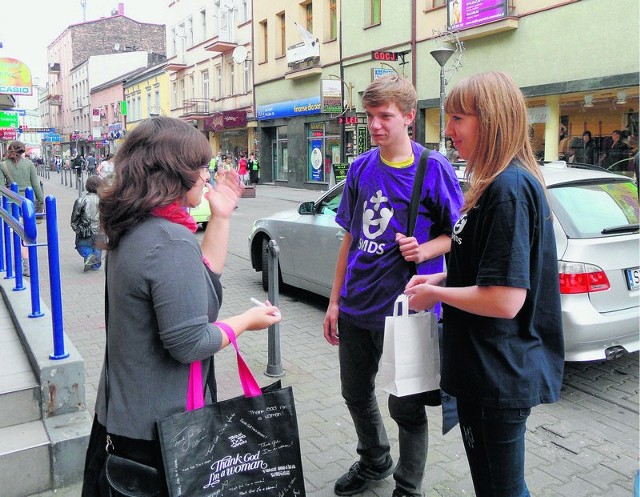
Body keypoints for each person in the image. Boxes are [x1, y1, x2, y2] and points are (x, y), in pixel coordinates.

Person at [81, 117, 282, 497]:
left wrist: (221, 216)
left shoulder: (138, 225)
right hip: (156, 433)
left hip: (123, 417)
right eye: (200, 167)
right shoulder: (168, 239)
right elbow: (190, 341)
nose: (207, 177)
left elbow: (199, 288)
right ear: (172, 172)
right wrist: (246, 321)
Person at [404, 72, 564, 497]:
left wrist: (435, 294)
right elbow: (487, 269)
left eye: (458, 118)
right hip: (483, 370)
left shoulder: (508, 188)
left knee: (502, 491)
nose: (450, 130)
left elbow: (506, 299)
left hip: (499, 373)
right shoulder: (495, 183)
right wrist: (442, 275)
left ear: (490, 120)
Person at [323, 74, 464, 497]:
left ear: (408, 118)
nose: (376, 125)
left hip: (407, 308)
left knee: (406, 403)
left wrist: (424, 249)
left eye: (385, 116)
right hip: (357, 304)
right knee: (355, 392)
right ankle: (375, 459)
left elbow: (458, 236)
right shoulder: (362, 166)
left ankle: (409, 485)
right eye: (370, 116)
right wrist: (334, 302)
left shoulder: (431, 168)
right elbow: (349, 237)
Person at [0, 140, 45, 276]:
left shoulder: (3, 165)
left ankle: (25, 265)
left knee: (18, 234)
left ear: (9, 151)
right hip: (28, 204)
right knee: (29, 234)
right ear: (23, 151)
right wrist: (42, 201)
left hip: (11, 204)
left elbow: (1, 187)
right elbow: (36, 184)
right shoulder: (29, 164)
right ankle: (29, 263)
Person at [70, 175, 103, 271]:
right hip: (100, 230)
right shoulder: (105, 201)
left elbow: (74, 219)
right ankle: (94, 263)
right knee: (98, 249)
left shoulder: (81, 200)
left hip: (85, 230)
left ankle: (88, 256)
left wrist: (78, 230)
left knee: (82, 246)